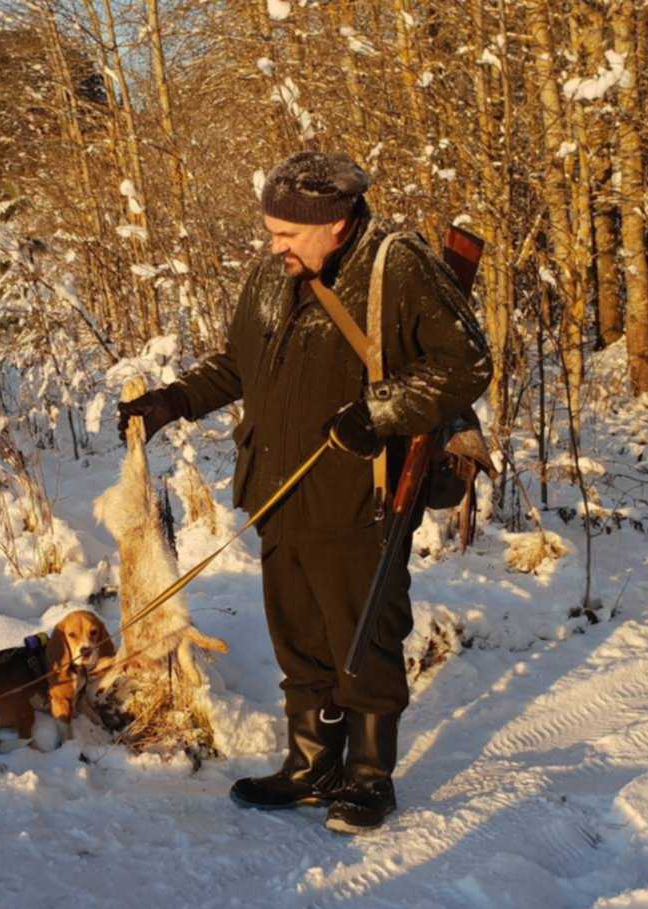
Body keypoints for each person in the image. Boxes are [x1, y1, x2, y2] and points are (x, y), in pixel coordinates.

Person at [116, 151, 491, 833]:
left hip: (359, 497)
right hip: (278, 489)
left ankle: (369, 778)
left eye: (289, 234)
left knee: (364, 636)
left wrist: (378, 412)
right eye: (271, 231)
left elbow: (467, 364)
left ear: (340, 224)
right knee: (299, 637)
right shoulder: (272, 272)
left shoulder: (395, 267)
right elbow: (239, 364)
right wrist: (171, 401)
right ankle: (311, 763)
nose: (274, 246)